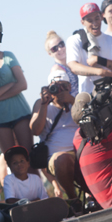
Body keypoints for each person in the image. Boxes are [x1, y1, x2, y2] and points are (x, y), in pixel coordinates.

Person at [29, 71, 79, 200]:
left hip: (80, 151)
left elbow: (92, 121)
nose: (59, 90)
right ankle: (73, 199)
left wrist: (73, 101)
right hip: (57, 158)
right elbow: (35, 130)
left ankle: (94, 196)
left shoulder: (78, 100)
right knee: (62, 159)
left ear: (70, 87)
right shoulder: (41, 104)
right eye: (55, 86)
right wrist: (44, 104)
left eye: (63, 86)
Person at [0, 50, 32, 156]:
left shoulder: (8, 55)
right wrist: (10, 85)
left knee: (29, 158)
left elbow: (22, 84)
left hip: (20, 112)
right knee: (11, 160)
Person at [44, 31, 78, 97]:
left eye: (61, 44)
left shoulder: (73, 62)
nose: (60, 49)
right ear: (50, 54)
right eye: (54, 49)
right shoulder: (56, 69)